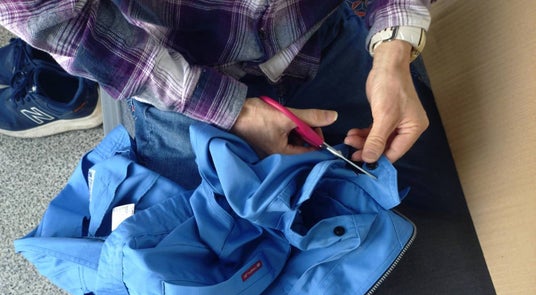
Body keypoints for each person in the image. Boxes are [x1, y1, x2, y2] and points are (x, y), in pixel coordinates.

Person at [0, 0, 431, 188]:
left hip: (322, 37)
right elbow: (59, 20)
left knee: (420, 176)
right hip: (174, 79)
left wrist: (394, 48)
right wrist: (229, 111)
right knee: (199, 266)